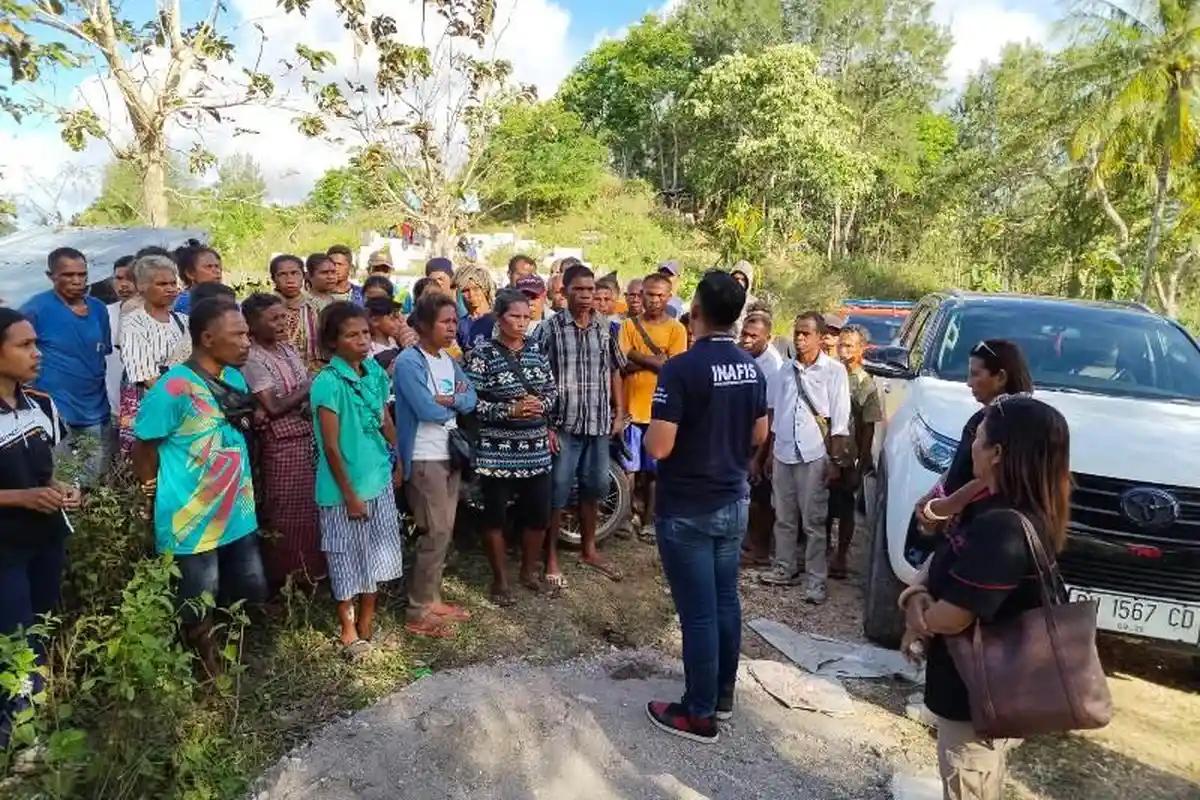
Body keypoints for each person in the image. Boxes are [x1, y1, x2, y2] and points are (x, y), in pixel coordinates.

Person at [900, 396, 1069, 799]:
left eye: (977, 438)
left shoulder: (1006, 529)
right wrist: (919, 592)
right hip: (976, 689)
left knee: (968, 780)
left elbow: (957, 616)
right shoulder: (992, 503)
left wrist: (917, 614)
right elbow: (947, 552)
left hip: (977, 695)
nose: (970, 446)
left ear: (997, 453)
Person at [643, 270, 769, 743]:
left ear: (693, 311)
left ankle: (698, 714)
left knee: (697, 614)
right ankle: (721, 696)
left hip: (687, 509)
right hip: (733, 501)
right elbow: (759, 434)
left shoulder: (680, 369)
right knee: (724, 603)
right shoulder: (751, 366)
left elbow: (658, 447)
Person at [131, 298, 266, 677]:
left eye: (247, 334)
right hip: (191, 517)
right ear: (207, 338)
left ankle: (233, 655)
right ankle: (207, 669)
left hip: (237, 511)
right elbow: (143, 446)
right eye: (237, 334)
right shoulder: (173, 388)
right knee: (196, 600)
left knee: (241, 589)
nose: (246, 342)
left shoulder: (234, 377)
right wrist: (149, 489)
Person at [0, 308, 82, 749]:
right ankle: (16, 739)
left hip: (45, 539)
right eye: (24, 345)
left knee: (40, 627)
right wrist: (21, 498)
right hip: (5, 549)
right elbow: (22, 490)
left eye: (36, 343)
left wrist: (61, 489)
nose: (36, 353)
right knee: (12, 640)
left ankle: (34, 719)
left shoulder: (41, 405)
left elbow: (44, 473)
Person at [310, 302, 404, 659]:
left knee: (375, 556)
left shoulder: (374, 374)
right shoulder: (327, 383)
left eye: (365, 332)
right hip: (342, 490)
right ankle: (348, 628)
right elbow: (331, 447)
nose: (363, 340)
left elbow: (384, 421)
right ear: (333, 342)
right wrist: (349, 494)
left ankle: (367, 620)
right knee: (345, 557)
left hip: (377, 479)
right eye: (352, 335)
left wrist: (397, 463)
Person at [533, 263, 627, 583]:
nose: (586, 296)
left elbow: (615, 369)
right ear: (565, 292)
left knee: (594, 488)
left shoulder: (605, 328)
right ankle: (551, 557)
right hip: (563, 424)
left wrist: (619, 411)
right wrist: (544, 425)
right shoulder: (549, 329)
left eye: (590, 290)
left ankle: (589, 549)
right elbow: (535, 375)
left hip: (598, 424)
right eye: (579, 290)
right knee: (558, 492)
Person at [464, 289, 558, 602]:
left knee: (539, 515)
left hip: (535, 448)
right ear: (499, 318)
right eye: (514, 316)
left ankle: (528, 572)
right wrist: (508, 410)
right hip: (496, 449)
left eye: (526, 316)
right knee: (495, 517)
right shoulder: (481, 355)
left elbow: (551, 391)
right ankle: (500, 580)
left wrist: (539, 405)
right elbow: (470, 404)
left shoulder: (536, 349)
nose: (521, 323)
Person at [394, 292, 478, 636]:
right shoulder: (408, 363)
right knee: (435, 531)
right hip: (424, 456)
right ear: (425, 325)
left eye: (454, 322)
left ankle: (433, 599)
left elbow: (471, 398)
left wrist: (451, 399)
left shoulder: (448, 359)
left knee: (444, 530)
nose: (452, 328)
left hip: (449, 453)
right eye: (445, 322)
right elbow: (425, 409)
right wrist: (450, 404)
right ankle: (418, 610)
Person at [758, 311, 850, 605]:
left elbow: (840, 422)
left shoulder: (834, 372)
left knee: (814, 521)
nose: (799, 338)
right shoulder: (783, 370)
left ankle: (816, 581)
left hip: (814, 454)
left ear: (821, 337)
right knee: (784, 517)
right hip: (784, 451)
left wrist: (834, 462)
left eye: (806, 333)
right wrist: (771, 453)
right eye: (796, 332)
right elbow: (774, 413)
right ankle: (784, 568)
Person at [241, 293, 324, 590]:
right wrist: (310, 384)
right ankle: (283, 583)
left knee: (308, 511)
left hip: (304, 437)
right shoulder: (251, 357)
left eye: (282, 316)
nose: (282, 322)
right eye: (273, 318)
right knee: (284, 514)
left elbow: (289, 399)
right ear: (251, 324)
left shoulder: (288, 350)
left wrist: (299, 394)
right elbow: (274, 406)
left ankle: (309, 575)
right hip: (280, 444)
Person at [915, 340, 1033, 531]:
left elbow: (989, 479)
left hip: (982, 527)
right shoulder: (986, 416)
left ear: (1001, 377)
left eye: (976, 374)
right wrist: (933, 495)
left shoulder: (1011, 423)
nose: (969, 383)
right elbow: (960, 465)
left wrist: (941, 508)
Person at [20, 247, 113, 487]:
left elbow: (102, 354)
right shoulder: (34, 310)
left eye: (82, 274)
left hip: (96, 411)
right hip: (54, 413)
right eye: (68, 275)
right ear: (51, 276)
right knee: (59, 483)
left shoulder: (99, 310)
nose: (77, 281)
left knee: (94, 484)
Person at [618, 273, 687, 541]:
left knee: (656, 471)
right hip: (632, 409)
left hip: (661, 412)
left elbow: (673, 367)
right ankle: (624, 519)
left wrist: (635, 355)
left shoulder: (677, 329)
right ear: (641, 294)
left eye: (660, 295)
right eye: (649, 294)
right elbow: (622, 364)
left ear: (669, 297)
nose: (654, 300)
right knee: (629, 468)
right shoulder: (628, 325)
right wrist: (654, 360)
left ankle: (650, 520)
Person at [117, 255, 191, 454]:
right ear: (142, 287)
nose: (170, 288)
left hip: (185, 396)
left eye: (173, 283)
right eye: (161, 283)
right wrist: (180, 403)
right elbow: (146, 375)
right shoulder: (133, 322)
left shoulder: (183, 320)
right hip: (153, 398)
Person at [827, 324, 883, 579]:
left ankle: (841, 556)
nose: (843, 350)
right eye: (841, 344)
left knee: (846, 504)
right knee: (824, 504)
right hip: (824, 449)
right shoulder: (829, 372)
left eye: (849, 345)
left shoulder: (864, 384)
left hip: (848, 453)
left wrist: (862, 458)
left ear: (862, 349)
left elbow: (867, 426)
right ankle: (822, 549)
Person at [740, 310, 783, 567]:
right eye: (745, 334)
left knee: (760, 498)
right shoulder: (742, 354)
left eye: (754, 336)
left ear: (768, 337)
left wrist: (760, 456)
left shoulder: (773, 368)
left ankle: (761, 550)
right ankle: (746, 542)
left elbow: (770, 415)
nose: (746, 339)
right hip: (740, 433)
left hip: (760, 439)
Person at [271, 253, 322, 373]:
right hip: (277, 373)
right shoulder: (264, 309)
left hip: (314, 373)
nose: (289, 280)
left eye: (294, 273)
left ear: (303, 276)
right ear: (273, 279)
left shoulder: (316, 307)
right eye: (282, 274)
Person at [104, 255, 138, 427]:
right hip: (112, 409)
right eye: (118, 278)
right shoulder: (103, 314)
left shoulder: (158, 316)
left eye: (130, 278)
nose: (124, 284)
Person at [455, 264, 497, 352]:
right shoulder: (460, 324)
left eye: (476, 289)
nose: (471, 295)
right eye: (465, 291)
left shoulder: (498, 320)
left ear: (485, 289)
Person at [173, 241, 223, 314]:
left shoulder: (225, 297)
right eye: (209, 266)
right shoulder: (186, 302)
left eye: (217, 266)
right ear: (190, 273)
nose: (217, 271)